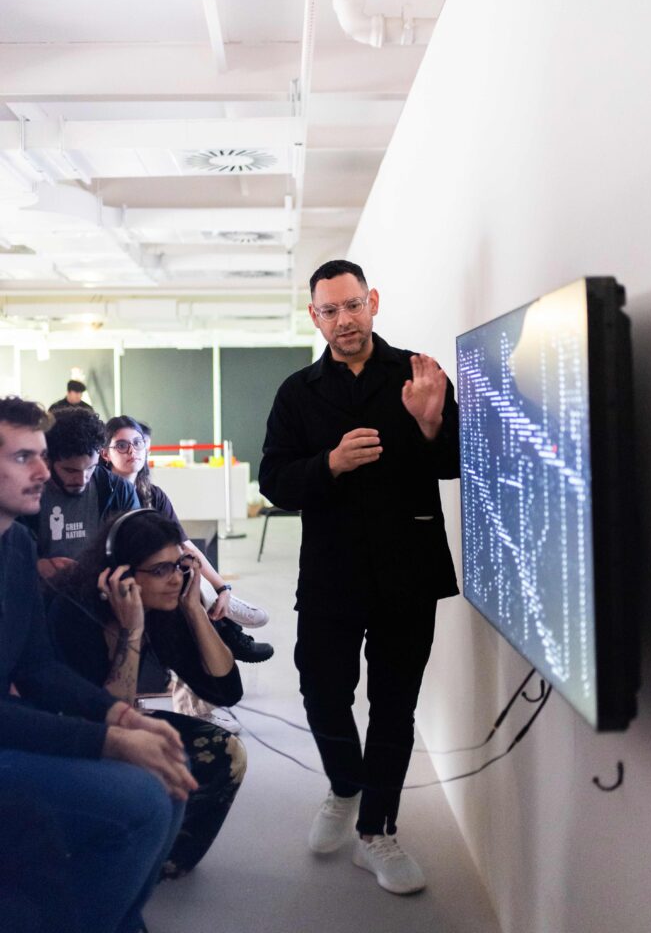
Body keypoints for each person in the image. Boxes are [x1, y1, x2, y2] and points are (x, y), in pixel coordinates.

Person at [259, 259, 459, 895]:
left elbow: (459, 463)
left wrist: (431, 422)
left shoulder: (419, 374)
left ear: (372, 301)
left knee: (395, 706)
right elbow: (274, 481)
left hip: (409, 570)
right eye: (330, 310)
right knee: (321, 691)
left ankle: (377, 832)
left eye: (352, 305)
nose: (343, 320)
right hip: (330, 572)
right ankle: (345, 786)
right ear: (314, 316)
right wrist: (331, 463)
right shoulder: (297, 392)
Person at [0, 395, 196, 933]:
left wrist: (123, 717)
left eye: (42, 456)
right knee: (143, 800)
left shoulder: (16, 547)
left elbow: (38, 667)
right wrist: (108, 740)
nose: (43, 473)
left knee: (167, 777)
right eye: (23, 458)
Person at [49, 509, 247, 880]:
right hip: (70, 737)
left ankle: (162, 862)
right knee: (132, 769)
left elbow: (227, 690)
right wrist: (131, 631)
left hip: (118, 721)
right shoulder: (73, 611)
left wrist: (193, 610)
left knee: (226, 753)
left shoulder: (166, 605)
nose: (175, 579)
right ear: (121, 572)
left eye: (179, 566)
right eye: (160, 570)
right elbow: (107, 721)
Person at [101, 415, 274, 665]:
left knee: (186, 566)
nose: (132, 451)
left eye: (137, 443)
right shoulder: (102, 494)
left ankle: (225, 620)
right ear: (105, 454)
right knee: (181, 577)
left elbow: (184, 543)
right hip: (125, 577)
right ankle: (229, 634)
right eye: (121, 445)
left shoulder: (153, 494)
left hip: (159, 572)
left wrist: (222, 587)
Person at [19, 407, 138, 581]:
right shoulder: (24, 493)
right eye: (70, 470)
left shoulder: (119, 491)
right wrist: (35, 567)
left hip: (100, 592)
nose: (82, 479)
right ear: (48, 460)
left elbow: (136, 550)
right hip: (41, 592)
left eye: (91, 468)